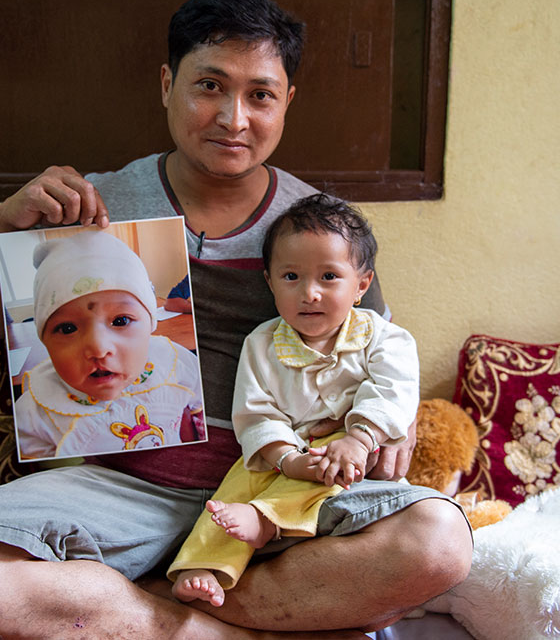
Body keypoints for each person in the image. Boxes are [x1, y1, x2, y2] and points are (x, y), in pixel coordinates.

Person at [0, 0, 471, 639]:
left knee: (439, 543)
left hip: (287, 483)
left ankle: (138, 602)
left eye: (259, 93)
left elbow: (380, 347)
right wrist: (5, 221)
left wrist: (387, 423)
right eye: (210, 85)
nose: (234, 118)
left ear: (286, 101)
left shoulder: (319, 226)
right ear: (167, 83)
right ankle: (226, 624)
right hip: (128, 489)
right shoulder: (96, 204)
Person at [169, 194, 434, 607]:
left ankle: (266, 521)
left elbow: (393, 390)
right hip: (284, 452)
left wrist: (359, 438)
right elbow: (257, 412)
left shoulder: (385, 338)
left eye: (329, 277)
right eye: (291, 277)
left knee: (334, 473)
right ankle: (202, 567)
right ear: (270, 282)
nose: (309, 293)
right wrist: (287, 457)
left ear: (362, 285)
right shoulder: (262, 343)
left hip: (353, 450)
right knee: (235, 487)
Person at [14, 229, 204, 459]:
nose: (99, 348)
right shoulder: (34, 416)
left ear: (149, 324)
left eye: (120, 321)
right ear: (44, 340)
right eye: (67, 328)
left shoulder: (176, 362)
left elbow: (199, 415)